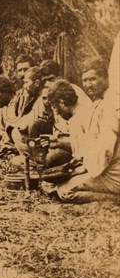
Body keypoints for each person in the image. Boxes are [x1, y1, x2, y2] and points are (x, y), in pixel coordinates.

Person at [47, 63, 120, 203]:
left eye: (92, 79)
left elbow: (105, 148)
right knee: (61, 184)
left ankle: (116, 199)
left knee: (65, 191)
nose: (88, 84)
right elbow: (92, 144)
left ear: (105, 78)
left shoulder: (110, 104)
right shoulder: (98, 103)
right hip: (105, 167)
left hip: (113, 172)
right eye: (85, 80)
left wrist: (85, 168)